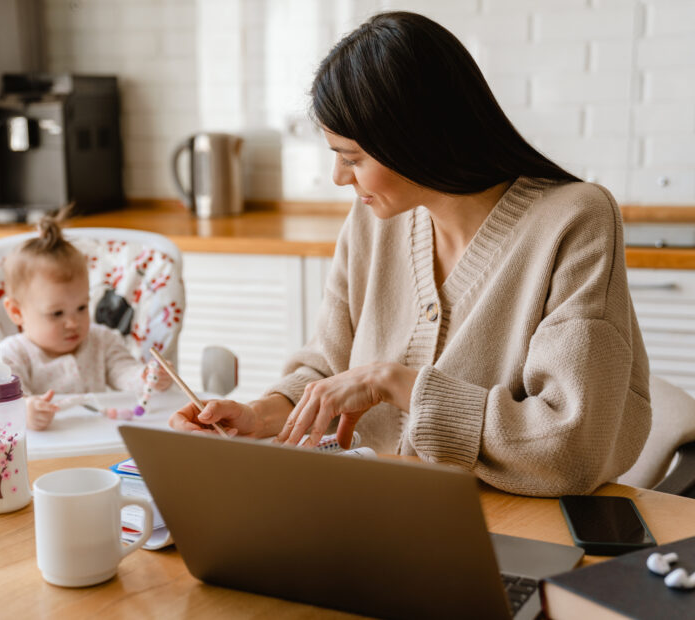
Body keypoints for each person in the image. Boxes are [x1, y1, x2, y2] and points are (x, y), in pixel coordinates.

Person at [170, 11, 651, 497]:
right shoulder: (371, 220)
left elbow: (571, 444)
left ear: (413, 138)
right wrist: (259, 416)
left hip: (506, 527)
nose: (339, 177)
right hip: (369, 510)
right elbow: (328, 366)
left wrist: (395, 383)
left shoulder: (574, 221)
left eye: (352, 158)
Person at [0, 211, 170, 430]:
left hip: (97, 438)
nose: (73, 322)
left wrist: (147, 377)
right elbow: (4, 407)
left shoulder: (102, 340)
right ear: (16, 312)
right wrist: (26, 411)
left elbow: (124, 372)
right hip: (43, 452)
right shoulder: (12, 355)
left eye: (81, 307)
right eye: (57, 314)